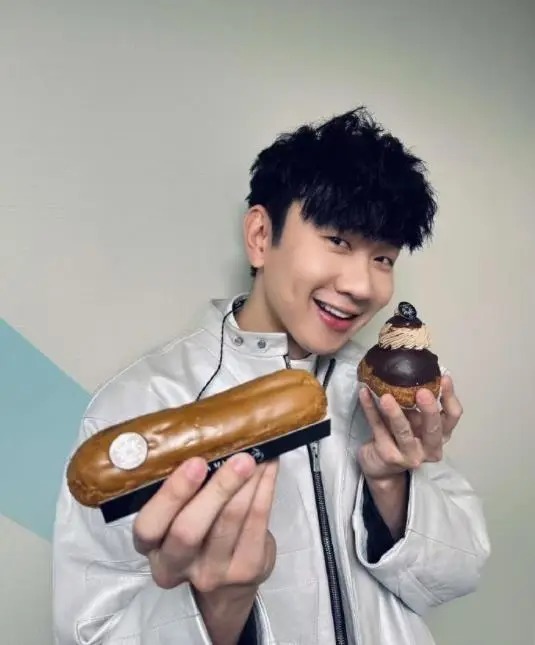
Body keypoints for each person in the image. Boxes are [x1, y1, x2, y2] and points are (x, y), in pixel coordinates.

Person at [52, 107, 491, 645]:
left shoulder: (381, 392)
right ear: (261, 236)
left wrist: (391, 480)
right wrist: (217, 609)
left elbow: (458, 574)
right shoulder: (140, 406)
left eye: (383, 258)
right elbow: (90, 631)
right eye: (338, 241)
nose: (363, 286)